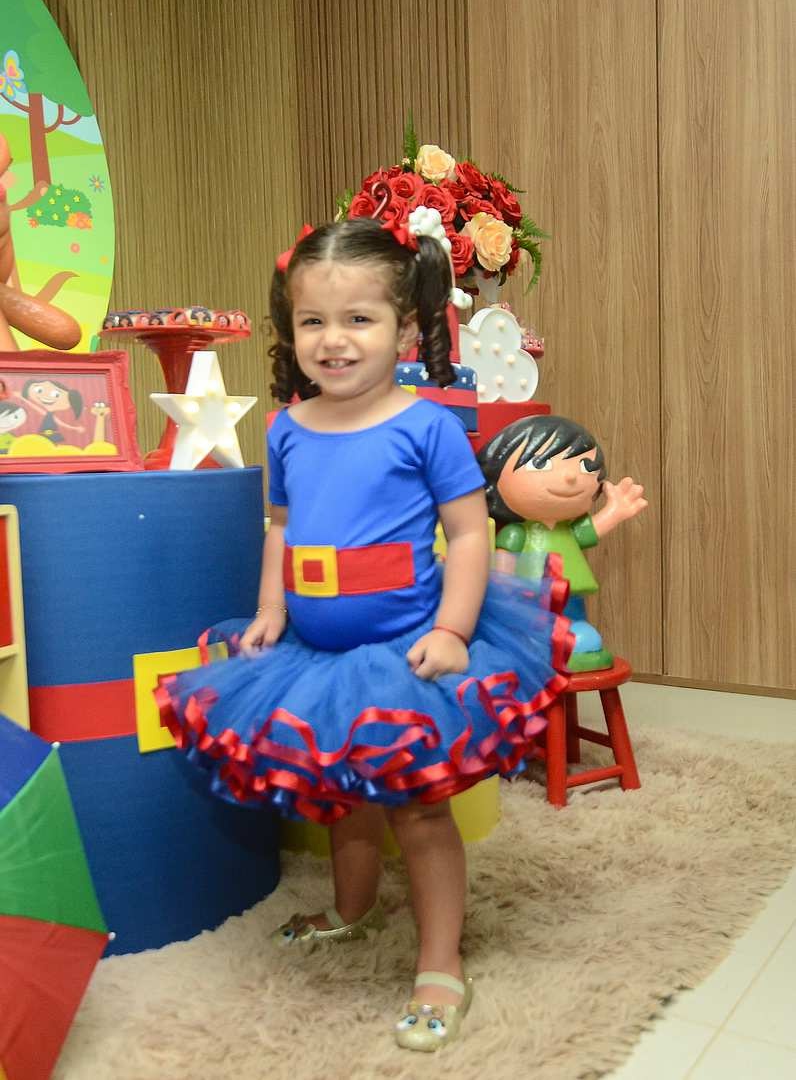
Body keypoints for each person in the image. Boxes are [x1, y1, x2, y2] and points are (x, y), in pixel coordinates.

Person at [158, 214, 572, 1053]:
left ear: (404, 327)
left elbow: (469, 534)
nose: (333, 339)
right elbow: (282, 527)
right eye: (313, 320)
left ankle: (441, 962)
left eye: (358, 318)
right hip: (315, 652)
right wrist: (271, 609)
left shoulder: (426, 426)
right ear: (290, 330)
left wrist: (454, 629)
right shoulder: (287, 428)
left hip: (404, 650)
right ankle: (353, 909)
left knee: (416, 810)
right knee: (340, 796)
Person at [477, 415, 647, 671]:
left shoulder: (570, 530)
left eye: (584, 466)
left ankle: (571, 637)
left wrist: (615, 510)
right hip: (529, 604)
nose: (570, 477)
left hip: (571, 601)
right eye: (542, 463)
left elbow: (593, 529)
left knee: (582, 633)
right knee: (531, 630)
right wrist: (503, 597)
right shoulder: (516, 534)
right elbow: (503, 573)